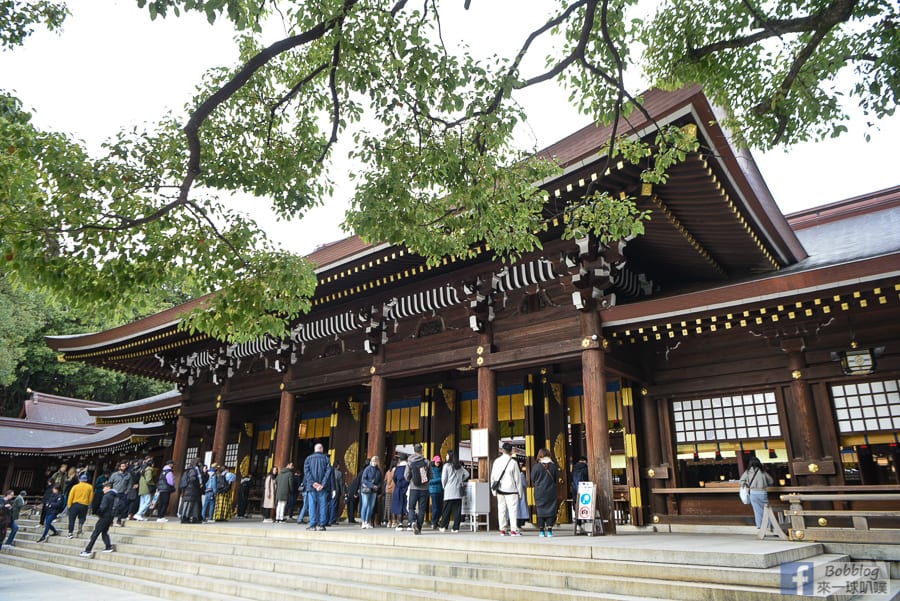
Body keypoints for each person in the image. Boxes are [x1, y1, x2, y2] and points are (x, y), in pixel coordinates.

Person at [490, 442, 522, 537]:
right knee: (512, 510)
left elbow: (493, 477)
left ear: (502, 450)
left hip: (500, 490)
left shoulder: (496, 461)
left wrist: (493, 491)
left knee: (501, 510)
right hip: (511, 490)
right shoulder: (513, 462)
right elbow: (518, 479)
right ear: (511, 451)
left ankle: (503, 530)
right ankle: (513, 530)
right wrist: (520, 493)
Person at [80, 482, 117, 557]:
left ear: (108, 488)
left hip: (104, 517)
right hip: (110, 517)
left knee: (95, 533)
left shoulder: (106, 496)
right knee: (104, 532)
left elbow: (103, 507)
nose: (103, 489)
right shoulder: (114, 496)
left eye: (104, 488)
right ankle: (108, 546)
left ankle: (88, 550)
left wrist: (98, 512)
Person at [302, 443, 333, 531]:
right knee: (323, 505)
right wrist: (322, 484)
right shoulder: (326, 459)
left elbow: (306, 472)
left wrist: (313, 483)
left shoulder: (308, 459)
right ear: (322, 449)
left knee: (312, 505)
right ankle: (322, 525)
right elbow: (328, 472)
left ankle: (312, 524)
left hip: (312, 487)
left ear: (315, 449)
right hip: (323, 487)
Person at [531, 448, 560, 538]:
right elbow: (556, 479)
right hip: (550, 491)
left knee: (540, 510)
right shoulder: (553, 466)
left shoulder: (536, 467)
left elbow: (532, 479)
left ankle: (541, 531)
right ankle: (550, 531)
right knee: (551, 510)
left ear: (539, 455)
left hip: (539, 492)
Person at [438, 450, 469, 533]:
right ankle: (456, 528)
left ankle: (443, 526)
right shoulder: (459, 466)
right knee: (457, 510)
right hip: (458, 490)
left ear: (450, 456)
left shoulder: (447, 466)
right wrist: (461, 480)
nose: (446, 456)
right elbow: (467, 474)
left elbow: (444, 478)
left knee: (446, 510)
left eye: (447, 455)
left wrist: (444, 486)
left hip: (449, 490)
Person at [739, 456, 774, 529]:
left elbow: (741, 481)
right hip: (762, 493)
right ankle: (769, 526)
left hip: (753, 493)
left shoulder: (747, 472)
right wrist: (764, 484)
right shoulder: (763, 472)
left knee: (757, 510)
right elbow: (771, 481)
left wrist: (747, 484)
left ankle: (760, 526)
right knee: (767, 510)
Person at [404, 443, 430, 535]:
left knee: (411, 507)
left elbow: (406, 476)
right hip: (424, 489)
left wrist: (411, 480)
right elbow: (431, 475)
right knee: (422, 509)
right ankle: (419, 527)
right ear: (421, 450)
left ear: (414, 450)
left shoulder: (410, 461)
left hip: (413, 488)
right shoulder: (426, 461)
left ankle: (412, 521)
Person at [66, 472, 94, 538]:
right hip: (84, 505)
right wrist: (88, 503)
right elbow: (91, 497)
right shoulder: (90, 487)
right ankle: (80, 525)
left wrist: (69, 505)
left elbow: (70, 496)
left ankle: (70, 533)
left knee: (72, 519)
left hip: (75, 504)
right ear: (86, 480)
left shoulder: (75, 487)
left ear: (80, 480)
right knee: (82, 517)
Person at [359, 456, 382, 529]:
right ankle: (363, 521)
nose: (374, 462)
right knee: (365, 504)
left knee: (371, 507)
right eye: (373, 461)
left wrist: (377, 486)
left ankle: (367, 521)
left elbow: (380, 481)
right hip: (366, 489)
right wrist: (372, 485)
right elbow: (363, 479)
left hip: (374, 490)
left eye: (376, 461)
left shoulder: (378, 470)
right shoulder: (367, 469)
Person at [107, 461, 132, 526]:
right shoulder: (114, 474)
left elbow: (129, 484)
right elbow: (110, 483)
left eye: (124, 466)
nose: (124, 467)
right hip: (115, 492)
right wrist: (110, 490)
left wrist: (127, 492)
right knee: (114, 507)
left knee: (122, 507)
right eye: (122, 466)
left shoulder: (128, 475)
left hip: (123, 493)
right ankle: (110, 521)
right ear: (119, 467)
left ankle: (119, 520)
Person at [179, 458, 203, 524]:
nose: (200, 463)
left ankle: (194, 517)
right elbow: (192, 479)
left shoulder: (195, 469)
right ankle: (185, 517)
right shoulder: (193, 469)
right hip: (191, 489)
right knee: (188, 503)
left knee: (195, 504)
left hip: (193, 489)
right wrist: (198, 484)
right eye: (199, 462)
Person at [571, 456, 589, 534]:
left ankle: (578, 526)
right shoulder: (585, 468)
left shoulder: (574, 468)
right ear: (585, 461)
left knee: (577, 508)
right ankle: (586, 525)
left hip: (575, 491)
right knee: (586, 507)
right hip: (585, 490)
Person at [391, 454, 409, 530]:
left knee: (399, 506)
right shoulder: (408, 467)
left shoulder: (397, 469)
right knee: (407, 505)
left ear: (400, 460)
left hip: (398, 488)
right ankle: (409, 523)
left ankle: (400, 523)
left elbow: (394, 478)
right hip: (407, 488)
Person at [428, 454, 444, 530]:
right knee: (435, 507)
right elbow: (429, 481)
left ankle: (436, 521)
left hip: (440, 490)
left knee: (440, 507)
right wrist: (439, 479)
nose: (438, 463)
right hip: (433, 490)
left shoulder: (441, 469)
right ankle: (434, 522)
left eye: (439, 462)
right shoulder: (430, 469)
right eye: (437, 462)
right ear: (433, 461)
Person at [329, 461, 345, 526]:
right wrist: (343, 492)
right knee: (334, 506)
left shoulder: (329, 472)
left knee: (329, 505)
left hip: (329, 491)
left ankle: (328, 519)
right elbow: (341, 484)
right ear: (338, 466)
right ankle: (332, 519)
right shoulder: (339, 473)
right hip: (336, 491)